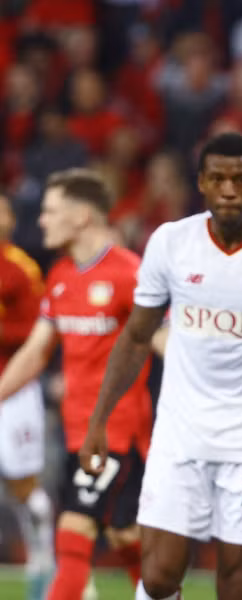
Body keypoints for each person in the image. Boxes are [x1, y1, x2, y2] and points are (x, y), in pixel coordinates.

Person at [79, 132, 242, 600]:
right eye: (218, 178)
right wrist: (99, 420)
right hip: (180, 435)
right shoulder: (171, 243)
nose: (228, 188)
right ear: (202, 184)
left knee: (236, 584)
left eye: (240, 178)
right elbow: (135, 336)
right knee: (159, 575)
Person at [0, 169, 161, 600]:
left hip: (117, 432)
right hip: (76, 430)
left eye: (51, 211)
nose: (42, 221)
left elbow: (170, 344)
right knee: (127, 536)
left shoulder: (131, 273)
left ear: (83, 217)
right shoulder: (61, 275)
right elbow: (35, 353)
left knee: (73, 533)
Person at [0, 193, 54, 600]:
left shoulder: (21, 268)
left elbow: (37, 333)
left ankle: (44, 561)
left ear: (12, 221)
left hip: (12, 390)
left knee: (23, 488)